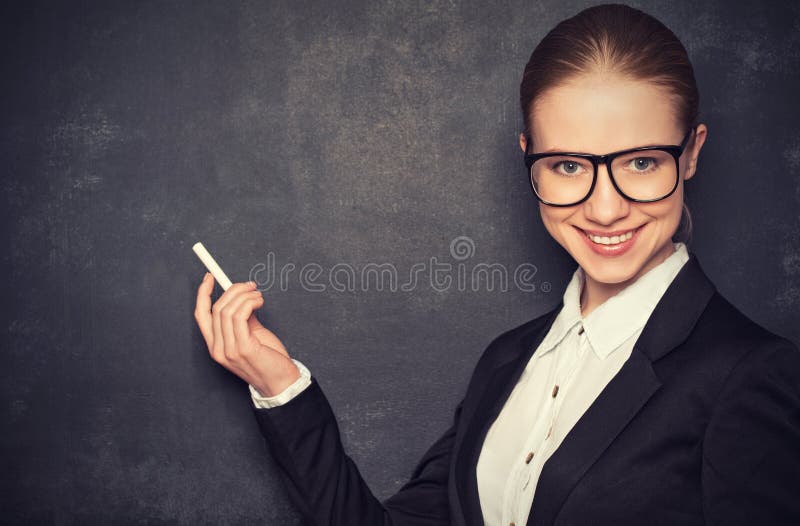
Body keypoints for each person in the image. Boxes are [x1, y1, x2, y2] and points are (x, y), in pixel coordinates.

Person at [193, 4, 800, 525]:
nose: (606, 207)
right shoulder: (507, 361)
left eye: (642, 162)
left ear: (691, 153)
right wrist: (281, 387)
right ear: (528, 159)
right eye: (568, 165)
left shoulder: (752, 374)